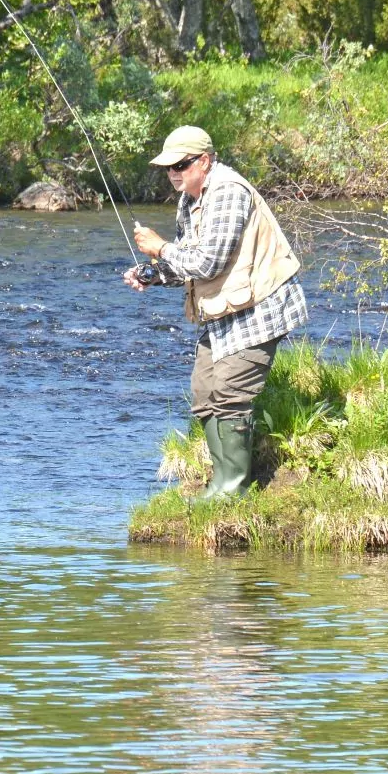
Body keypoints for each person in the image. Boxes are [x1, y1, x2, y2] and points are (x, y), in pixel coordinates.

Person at [123, 125, 307, 497]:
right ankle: (220, 485)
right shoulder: (190, 198)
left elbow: (208, 262)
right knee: (205, 391)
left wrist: (159, 249)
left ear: (204, 161)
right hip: (225, 310)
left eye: (181, 164)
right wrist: (154, 274)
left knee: (231, 393)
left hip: (259, 309)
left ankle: (233, 491)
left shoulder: (228, 192)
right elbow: (189, 263)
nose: (173, 172)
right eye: (168, 167)